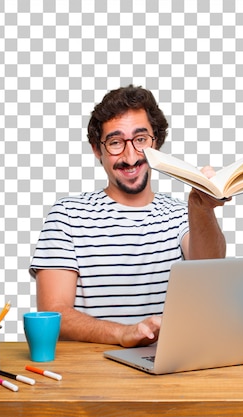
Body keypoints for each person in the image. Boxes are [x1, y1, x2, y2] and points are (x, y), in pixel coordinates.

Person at [29, 85, 228, 347]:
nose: (130, 156)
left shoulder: (182, 215)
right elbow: (53, 316)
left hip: (165, 370)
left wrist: (200, 208)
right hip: (89, 375)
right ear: (97, 150)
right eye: (115, 142)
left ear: (155, 143)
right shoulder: (67, 216)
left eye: (141, 139)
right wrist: (122, 334)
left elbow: (210, 269)